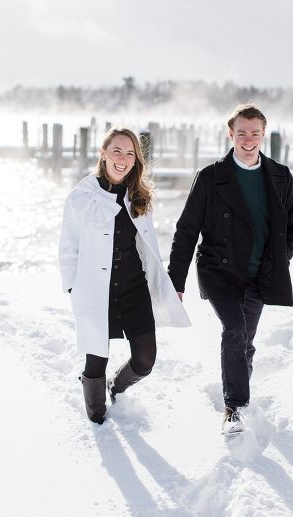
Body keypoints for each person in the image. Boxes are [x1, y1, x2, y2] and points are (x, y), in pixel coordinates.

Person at [168, 103, 293, 435]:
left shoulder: (279, 175)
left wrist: (278, 260)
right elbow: (187, 230)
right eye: (241, 132)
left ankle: (237, 397)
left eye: (254, 133)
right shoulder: (211, 177)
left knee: (246, 340)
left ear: (263, 134)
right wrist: (176, 280)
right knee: (235, 331)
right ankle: (235, 409)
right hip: (219, 272)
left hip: (261, 275)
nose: (248, 139)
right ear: (230, 134)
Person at [59, 128, 191, 425]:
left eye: (130, 153)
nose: (123, 158)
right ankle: (97, 418)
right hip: (96, 288)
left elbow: (149, 248)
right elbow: (68, 247)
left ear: (136, 160)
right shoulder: (81, 197)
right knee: (96, 360)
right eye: (116, 151)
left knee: (145, 360)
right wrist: (73, 288)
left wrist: (165, 285)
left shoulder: (139, 196)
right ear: (103, 153)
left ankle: (116, 388)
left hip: (133, 286)